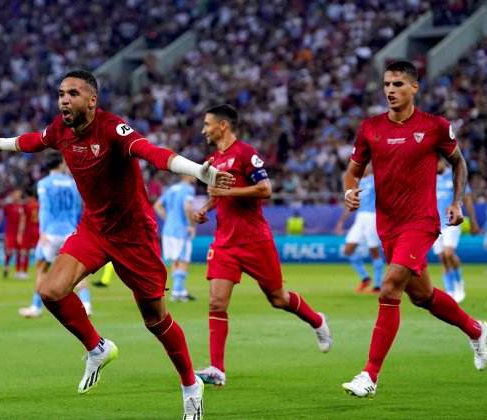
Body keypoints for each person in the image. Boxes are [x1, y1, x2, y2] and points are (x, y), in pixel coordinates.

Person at [0, 69, 235, 419]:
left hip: (133, 235)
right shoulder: (61, 129)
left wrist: (201, 171)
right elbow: (34, 140)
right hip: (94, 229)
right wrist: (0, 144)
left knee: (155, 320)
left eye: (72, 93)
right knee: (50, 290)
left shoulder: (113, 129)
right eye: (60, 94)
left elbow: (153, 152)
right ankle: (97, 347)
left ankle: (191, 384)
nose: (64, 100)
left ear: (92, 100)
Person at [340, 61, 487, 398]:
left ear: (414, 88)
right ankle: (475, 329)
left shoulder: (435, 126)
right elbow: (352, 172)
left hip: (421, 222)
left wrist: (456, 201)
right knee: (421, 295)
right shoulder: (370, 128)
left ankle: (370, 375)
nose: (390, 91)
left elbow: (458, 163)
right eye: (386, 84)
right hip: (388, 225)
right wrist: (349, 191)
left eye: (397, 84)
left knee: (389, 287)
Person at [193, 104, 332, 387]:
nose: (203, 129)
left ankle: (316, 320)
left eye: (207, 124)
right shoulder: (214, 158)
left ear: (223, 126)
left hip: (254, 240)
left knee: (278, 299)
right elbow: (220, 194)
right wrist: (207, 206)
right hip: (224, 241)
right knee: (216, 302)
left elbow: (265, 190)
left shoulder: (246, 153)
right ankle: (217, 370)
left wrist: (226, 191)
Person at [18, 153, 92, 318]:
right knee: (76, 271)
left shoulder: (44, 184)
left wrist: (42, 232)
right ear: (60, 164)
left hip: (51, 233)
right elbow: (77, 209)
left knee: (42, 270)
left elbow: (45, 208)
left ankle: (36, 307)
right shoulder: (73, 184)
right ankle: (86, 305)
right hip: (70, 231)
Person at [432, 159, 480, 302]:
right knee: (442, 257)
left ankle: (459, 283)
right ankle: (449, 290)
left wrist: (473, 221)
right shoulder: (430, 178)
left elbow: (468, 199)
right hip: (434, 224)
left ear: (441, 162)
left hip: (451, 222)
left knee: (449, 253)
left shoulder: (455, 176)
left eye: (435, 162)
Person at [335, 166, 384, 294]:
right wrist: (341, 222)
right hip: (360, 218)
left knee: (374, 251)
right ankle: (365, 278)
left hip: (372, 217)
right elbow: (351, 203)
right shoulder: (358, 183)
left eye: (367, 165)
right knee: (347, 250)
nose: (364, 168)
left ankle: (378, 285)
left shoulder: (376, 180)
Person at [154, 175, 197, 302]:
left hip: (168, 230)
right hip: (180, 230)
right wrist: (191, 225)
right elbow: (187, 208)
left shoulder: (172, 188)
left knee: (175, 260)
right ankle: (177, 292)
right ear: (187, 175)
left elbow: (157, 205)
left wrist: (168, 219)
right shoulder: (188, 189)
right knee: (183, 260)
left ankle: (180, 291)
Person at [0, 188, 25, 278]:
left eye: (19, 195)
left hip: (19, 232)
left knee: (20, 252)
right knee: (9, 251)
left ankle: (18, 271)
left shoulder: (22, 207)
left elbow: (23, 221)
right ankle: (6, 265)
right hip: (10, 232)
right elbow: (0, 217)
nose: (17, 197)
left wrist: (21, 233)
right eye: (16, 195)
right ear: (13, 196)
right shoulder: (7, 207)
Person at [17, 187, 41, 279]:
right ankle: (42, 272)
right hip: (38, 230)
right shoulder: (39, 205)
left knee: (24, 252)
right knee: (40, 253)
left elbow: (23, 220)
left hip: (28, 231)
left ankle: (24, 272)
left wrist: (19, 234)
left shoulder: (26, 206)